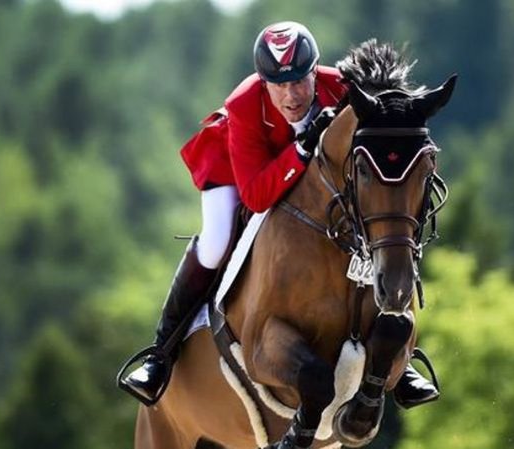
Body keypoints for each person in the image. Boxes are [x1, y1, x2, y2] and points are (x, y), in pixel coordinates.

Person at [120, 21, 439, 409]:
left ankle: (400, 358)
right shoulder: (244, 104)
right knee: (216, 241)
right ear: (263, 81)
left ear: (315, 71)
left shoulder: (342, 89)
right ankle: (160, 355)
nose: (291, 95)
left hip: (305, 175)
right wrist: (302, 148)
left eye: (300, 81)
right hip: (239, 171)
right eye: (278, 84)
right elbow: (256, 197)